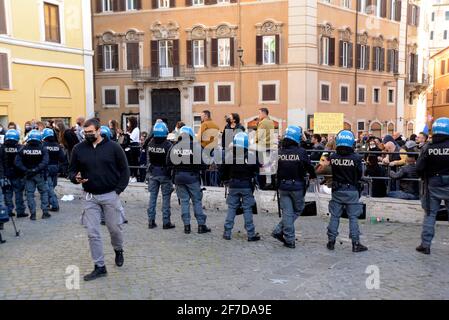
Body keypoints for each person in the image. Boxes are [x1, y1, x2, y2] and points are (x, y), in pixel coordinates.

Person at [68, 118, 130, 281]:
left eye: (90, 132)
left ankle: (118, 249)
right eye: (85, 132)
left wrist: (118, 190)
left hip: (111, 194)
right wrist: (76, 178)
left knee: (114, 228)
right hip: (89, 197)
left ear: (99, 131)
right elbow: (71, 171)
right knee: (92, 232)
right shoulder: (78, 149)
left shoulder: (114, 148)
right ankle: (100, 266)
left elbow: (125, 170)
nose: (87, 135)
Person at [272, 126, 316, 248]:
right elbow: (309, 166)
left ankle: (289, 240)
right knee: (298, 209)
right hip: (296, 186)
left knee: (287, 212)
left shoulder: (279, 152)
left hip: (283, 186)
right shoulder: (301, 152)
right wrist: (313, 175)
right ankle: (279, 230)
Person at [326, 130, 368, 253]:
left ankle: (331, 241)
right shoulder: (356, 158)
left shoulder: (333, 157)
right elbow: (359, 174)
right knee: (353, 218)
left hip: (337, 190)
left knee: (334, 216)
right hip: (352, 190)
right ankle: (355, 244)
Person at [167, 126, 211, 235]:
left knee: (184, 202)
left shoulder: (175, 146)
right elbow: (204, 164)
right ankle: (201, 225)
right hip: (192, 178)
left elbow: (168, 162)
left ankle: (187, 226)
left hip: (178, 178)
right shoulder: (196, 147)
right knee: (196, 201)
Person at [416, 117, 449, 255]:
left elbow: (419, 167)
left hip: (432, 183)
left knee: (430, 214)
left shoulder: (427, 147)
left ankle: (425, 245)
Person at [220, 132, 260, 242]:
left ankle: (227, 232)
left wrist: (225, 180)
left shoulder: (229, 156)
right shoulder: (251, 156)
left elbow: (222, 171)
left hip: (233, 185)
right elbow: (257, 170)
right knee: (247, 209)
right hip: (247, 186)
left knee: (231, 208)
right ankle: (251, 234)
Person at [15, 130, 50, 221]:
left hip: (28, 175)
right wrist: (36, 169)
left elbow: (17, 162)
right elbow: (45, 162)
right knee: (43, 192)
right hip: (40, 174)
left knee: (30, 194)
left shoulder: (24, 148)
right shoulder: (43, 148)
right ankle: (45, 212)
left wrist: (26, 170)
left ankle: (33, 214)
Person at [147, 122, 175, 230]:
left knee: (152, 198)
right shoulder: (168, 145)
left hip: (153, 173)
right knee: (166, 199)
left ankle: (151, 221)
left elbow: (148, 158)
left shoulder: (150, 143)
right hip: (165, 174)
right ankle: (166, 222)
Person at [1, 130, 27, 218]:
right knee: (19, 193)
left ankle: (9, 211)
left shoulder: (2, 147)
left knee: (7, 193)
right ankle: (20, 211)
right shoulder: (21, 147)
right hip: (18, 174)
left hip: (6, 174)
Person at [42, 128, 65, 212]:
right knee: (52, 186)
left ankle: (54, 205)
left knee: (49, 187)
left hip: (46, 168)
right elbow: (62, 158)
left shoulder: (43, 145)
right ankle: (48, 203)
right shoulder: (57, 145)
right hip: (55, 168)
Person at [127, 117, 140, 183]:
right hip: (131, 146)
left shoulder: (136, 129)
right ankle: (130, 175)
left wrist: (126, 134)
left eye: (128, 122)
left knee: (134, 162)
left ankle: (134, 176)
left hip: (134, 146)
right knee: (130, 161)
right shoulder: (131, 129)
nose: (127, 124)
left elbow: (132, 138)